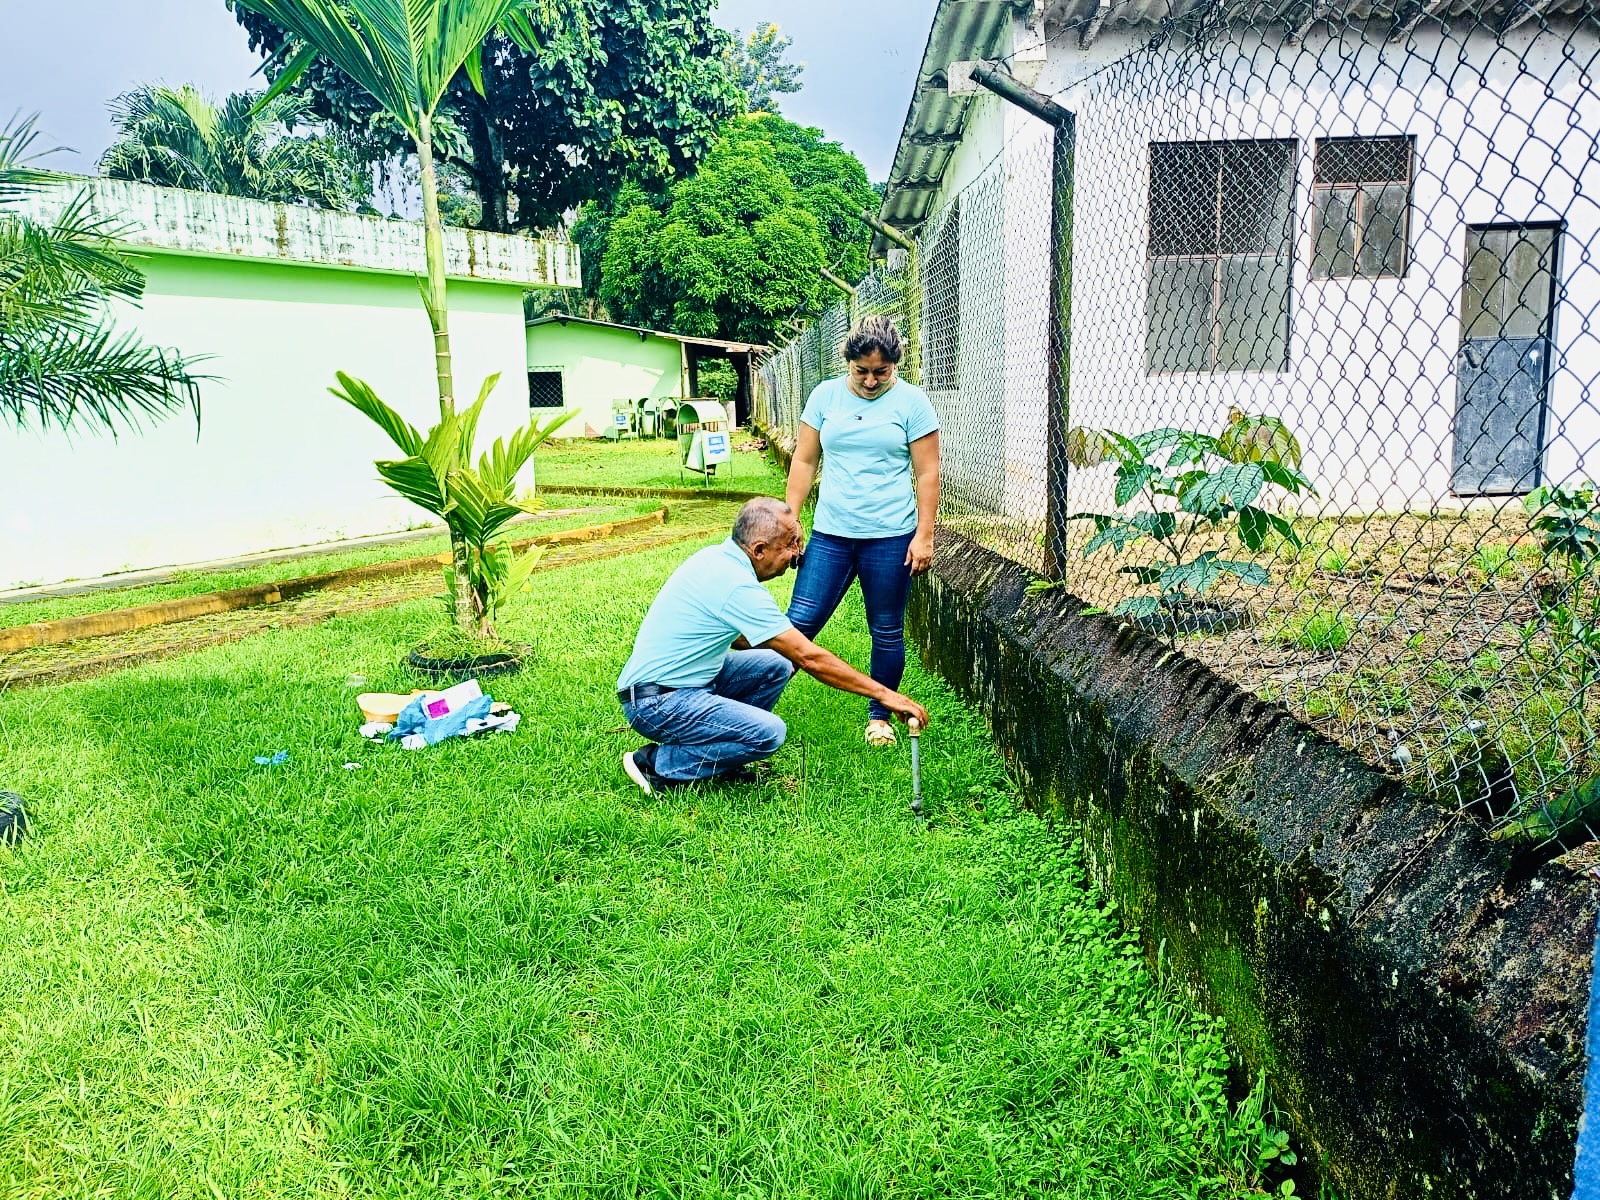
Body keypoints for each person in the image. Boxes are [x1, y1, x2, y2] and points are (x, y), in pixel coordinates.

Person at [617, 496, 929, 794]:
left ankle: (723, 759)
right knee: (768, 733)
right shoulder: (736, 585)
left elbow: (742, 640)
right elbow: (809, 658)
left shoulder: (717, 559)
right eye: (790, 544)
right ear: (759, 549)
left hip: (676, 687)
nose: (797, 555)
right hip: (656, 703)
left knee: (776, 664)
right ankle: (656, 765)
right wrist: (886, 695)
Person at [784, 315, 941, 749]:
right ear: (848, 362)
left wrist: (924, 535)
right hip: (831, 535)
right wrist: (790, 519)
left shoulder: (913, 403)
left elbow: (927, 472)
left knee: (885, 628)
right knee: (799, 622)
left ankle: (880, 717)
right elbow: (804, 460)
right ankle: (752, 699)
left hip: (890, 537)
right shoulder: (824, 396)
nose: (871, 381)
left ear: (895, 365)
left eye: (881, 372)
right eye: (862, 371)